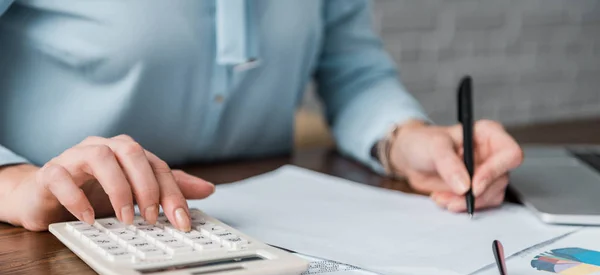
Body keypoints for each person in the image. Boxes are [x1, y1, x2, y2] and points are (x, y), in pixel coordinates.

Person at [0, 0, 523, 232]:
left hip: (255, 227)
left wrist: (403, 138)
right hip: (56, 235)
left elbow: (354, 70)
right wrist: (18, 184)